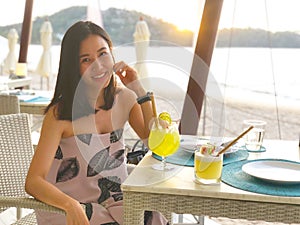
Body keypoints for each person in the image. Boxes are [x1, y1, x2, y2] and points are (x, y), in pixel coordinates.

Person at [25, 21, 168, 225]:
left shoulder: (125, 99)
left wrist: (139, 91)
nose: (98, 65)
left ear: (111, 53)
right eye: (86, 59)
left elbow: (155, 144)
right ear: (74, 67)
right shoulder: (60, 115)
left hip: (114, 200)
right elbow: (33, 182)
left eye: (103, 54)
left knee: (153, 218)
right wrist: (70, 205)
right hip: (68, 207)